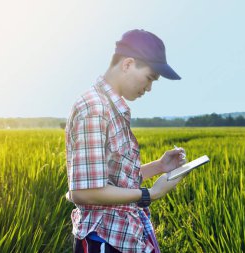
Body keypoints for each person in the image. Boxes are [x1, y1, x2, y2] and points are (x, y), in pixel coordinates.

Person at [65, 29, 186, 253]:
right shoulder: (95, 108)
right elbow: (85, 191)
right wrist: (151, 193)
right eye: (150, 78)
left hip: (122, 237)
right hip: (103, 240)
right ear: (128, 64)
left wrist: (160, 166)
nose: (149, 88)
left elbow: (114, 179)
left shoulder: (112, 109)